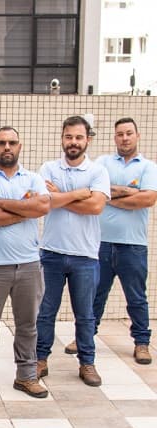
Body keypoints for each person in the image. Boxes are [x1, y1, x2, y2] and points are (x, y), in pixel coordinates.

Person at [0, 127, 50, 399]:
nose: (7, 147)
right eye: (2, 143)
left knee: (28, 323)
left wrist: (2, 203)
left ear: (20, 146)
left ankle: (27, 376)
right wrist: (24, 208)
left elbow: (42, 207)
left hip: (29, 265)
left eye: (12, 143)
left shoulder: (33, 178)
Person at [36, 115, 110, 387]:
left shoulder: (98, 171)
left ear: (87, 140)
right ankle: (40, 359)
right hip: (52, 253)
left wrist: (62, 197)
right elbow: (45, 202)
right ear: (62, 139)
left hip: (86, 256)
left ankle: (87, 363)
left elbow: (96, 207)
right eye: (69, 137)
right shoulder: (48, 168)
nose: (74, 142)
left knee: (85, 313)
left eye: (79, 137)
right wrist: (81, 193)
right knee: (46, 311)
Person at [91, 118, 157, 364]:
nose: (124, 138)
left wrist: (110, 195)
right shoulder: (102, 163)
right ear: (114, 137)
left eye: (129, 133)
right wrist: (131, 190)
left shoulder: (148, 167)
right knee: (95, 295)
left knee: (136, 297)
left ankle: (141, 342)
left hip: (133, 245)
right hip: (101, 244)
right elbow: (94, 190)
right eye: (120, 134)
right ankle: (86, 336)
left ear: (137, 136)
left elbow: (148, 199)